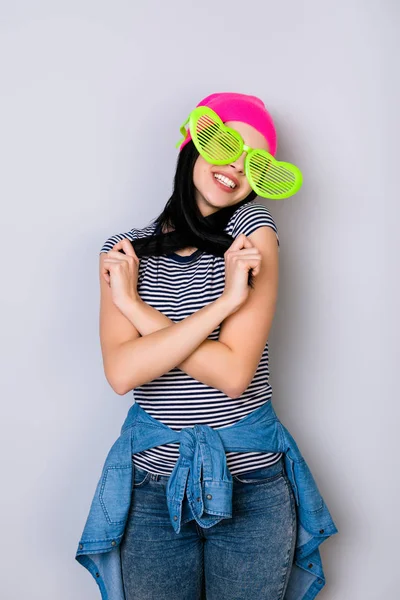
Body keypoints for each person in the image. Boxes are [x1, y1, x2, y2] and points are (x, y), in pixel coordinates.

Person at [85, 92, 332, 599]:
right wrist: (219, 309)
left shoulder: (252, 233)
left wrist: (137, 312)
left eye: (256, 164)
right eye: (226, 145)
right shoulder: (124, 252)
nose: (236, 169)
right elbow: (121, 373)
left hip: (252, 487)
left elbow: (233, 374)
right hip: (153, 488)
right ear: (190, 142)